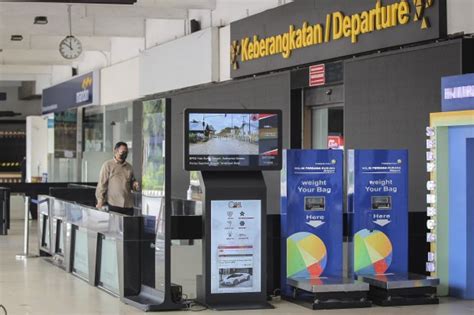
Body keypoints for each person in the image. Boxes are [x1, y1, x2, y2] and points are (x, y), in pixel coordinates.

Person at [95, 142, 139, 215]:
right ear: (115, 151)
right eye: (122, 152)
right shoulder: (108, 165)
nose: (125, 154)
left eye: (126, 152)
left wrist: (135, 185)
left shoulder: (129, 167)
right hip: (113, 205)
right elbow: (102, 184)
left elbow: (131, 184)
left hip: (128, 206)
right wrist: (100, 201)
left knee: (128, 226)